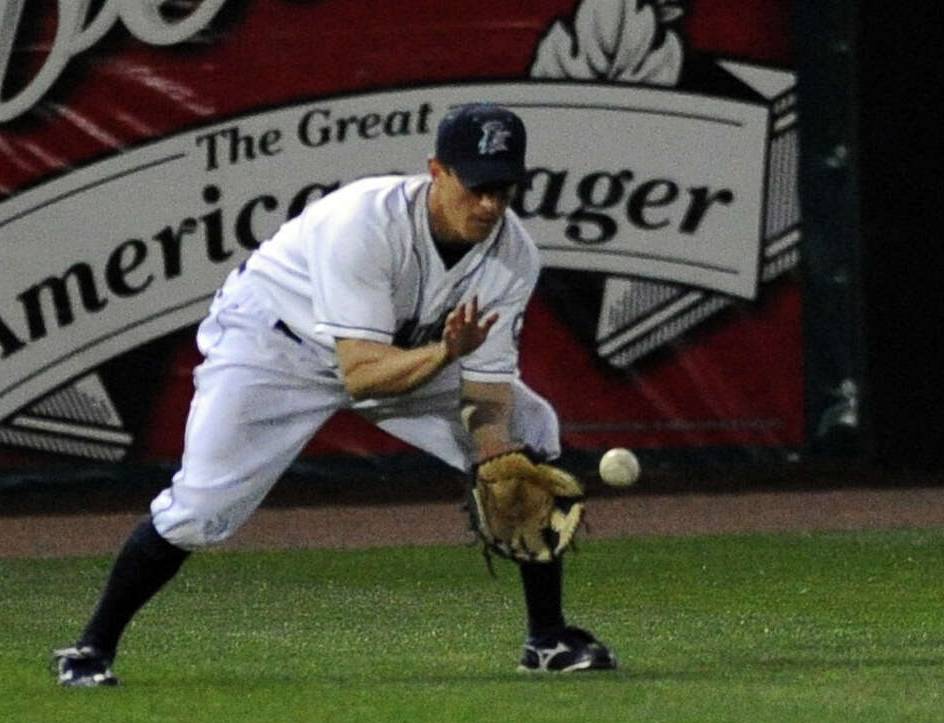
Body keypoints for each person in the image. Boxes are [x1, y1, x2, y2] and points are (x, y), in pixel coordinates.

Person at [52, 103, 617, 686]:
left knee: (529, 430)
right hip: (275, 348)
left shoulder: (513, 254)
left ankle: (546, 638)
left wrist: (497, 454)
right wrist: (446, 354)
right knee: (201, 510)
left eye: (503, 188)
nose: (490, 205)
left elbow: (487, 387)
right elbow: (362, 376)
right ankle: (91, 648)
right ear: (437, 171)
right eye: (476, 186)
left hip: (407, 353)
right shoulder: (364, 224)